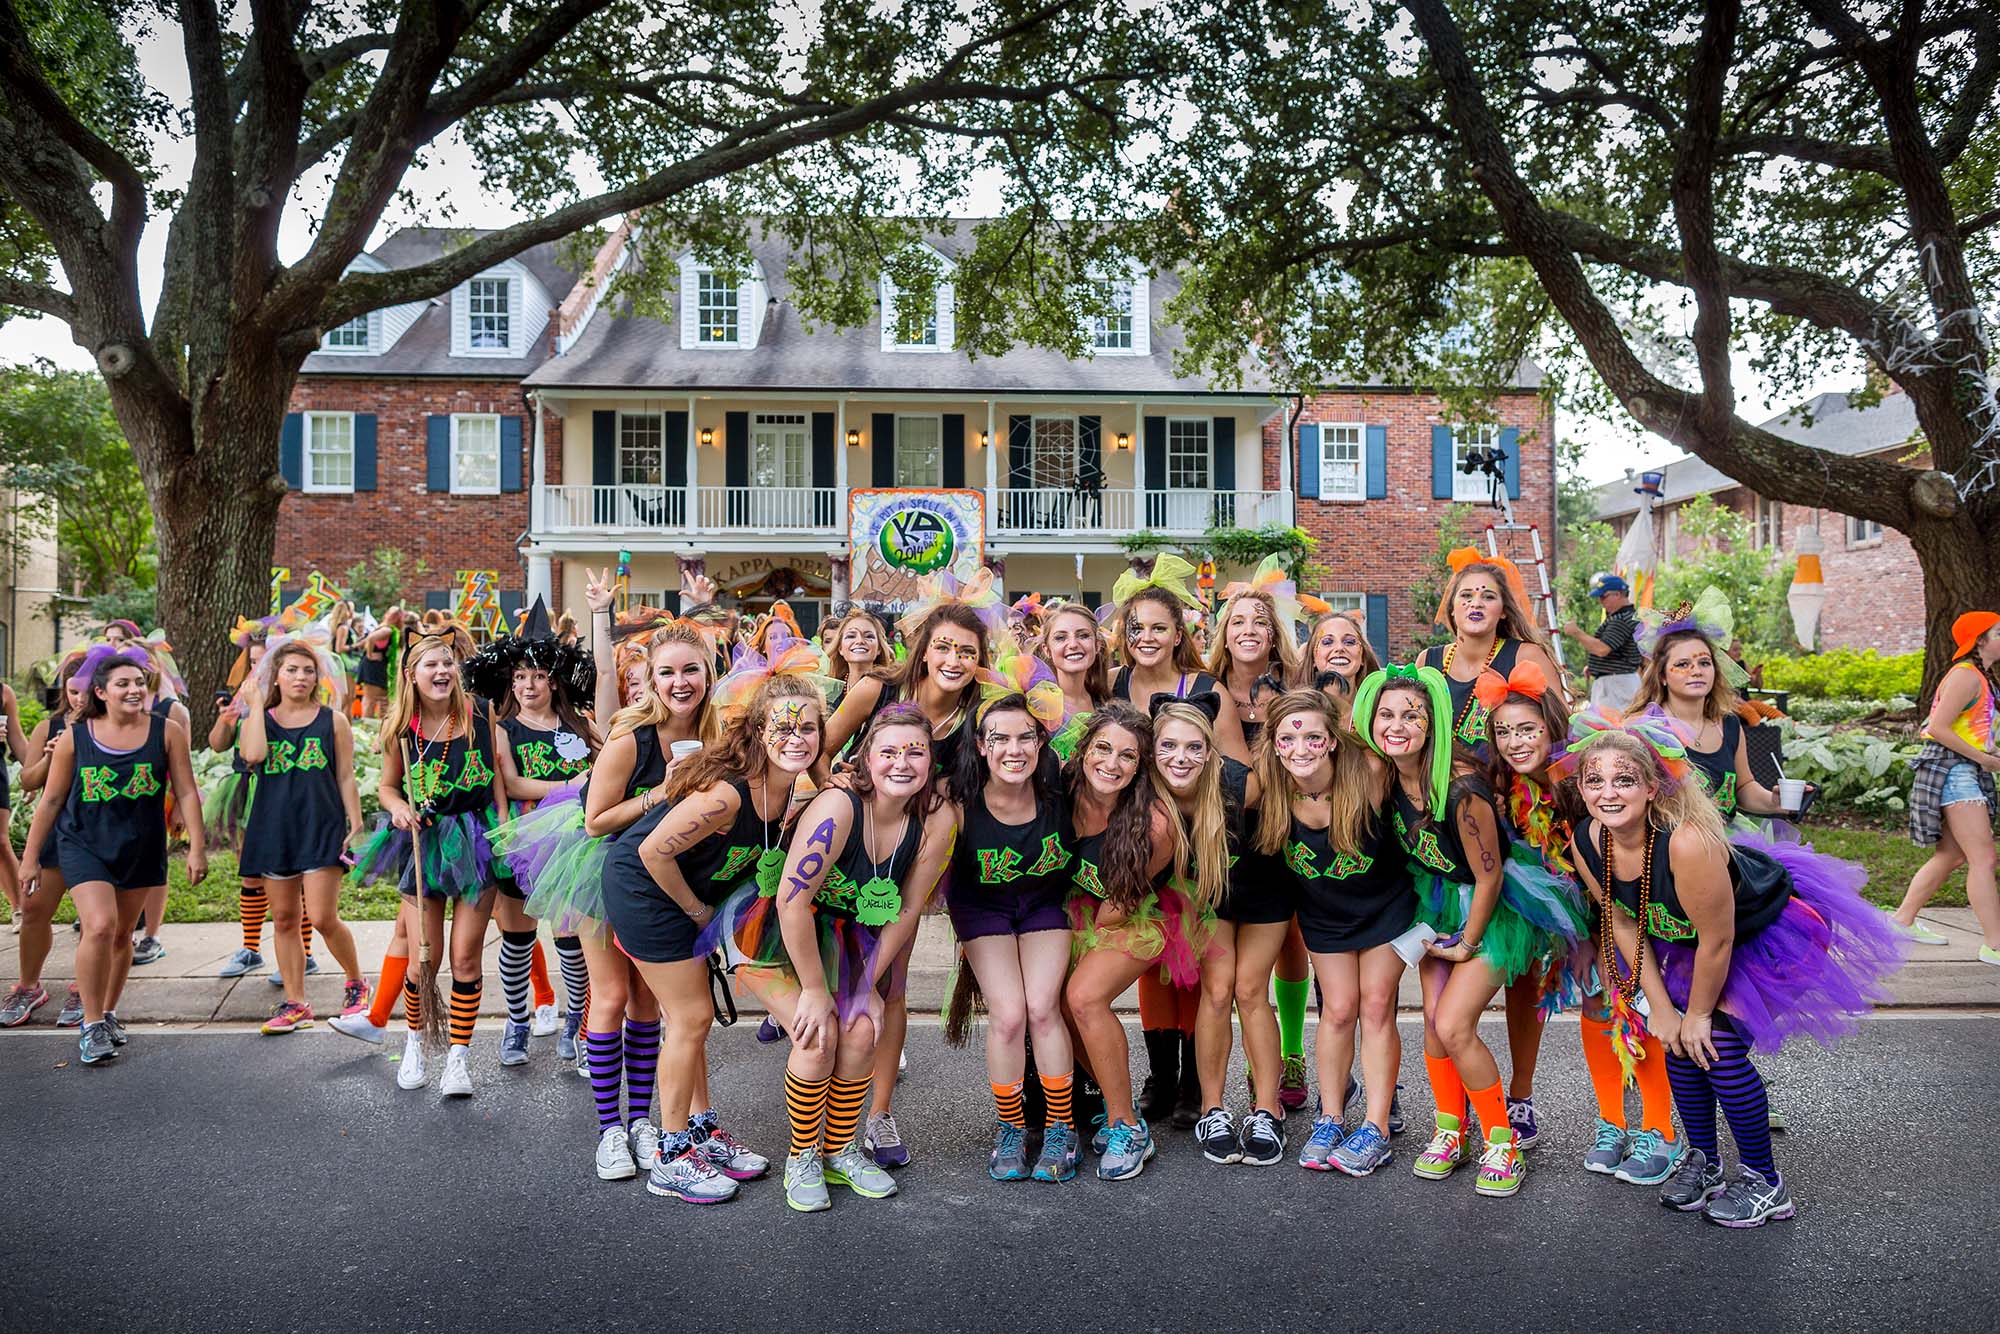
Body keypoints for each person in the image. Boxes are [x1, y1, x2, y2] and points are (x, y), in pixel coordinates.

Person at [1565, 711, 1905, 1225]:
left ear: (1653, 788)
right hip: (1684, 942)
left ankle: (1766, 1184)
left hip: (1768, 935)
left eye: (1624, 779)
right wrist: (1660, 1008)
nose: (1608, 792)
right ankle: (1705, 1161)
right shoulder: (1589, 840)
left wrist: (1699, 1012)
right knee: (1677, 1043)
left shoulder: (1686, 842)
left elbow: (1719, 939)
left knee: (1715, 1044)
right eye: (1595, 781)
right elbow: (1623, 922)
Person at [707, 703, 955, 1212]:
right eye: (888, 751)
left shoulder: (936, 820)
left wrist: (866, 988)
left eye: (916, 752)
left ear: (932, 761)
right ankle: (803, 1155)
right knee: (817, 1035)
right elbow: (791, 901)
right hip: (772, 933)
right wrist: (818, 993)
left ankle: (839, 1151)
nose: (902, 763)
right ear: (866, 757)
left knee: (862, 1028)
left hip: (849, 939)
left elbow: (906, 912)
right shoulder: (839, 807)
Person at [1360, 664, 1585, 1197]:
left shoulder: (1461, 788)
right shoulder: (1385, 776)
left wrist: (1467, 943)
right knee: (1435, 1028)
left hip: (1493, 909)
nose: (1397, 726)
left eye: (1411, 716)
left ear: (1433, 722)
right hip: (1434, 903)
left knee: (1455, 1024)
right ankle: (1449, 1130)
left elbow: (1488, 877)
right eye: (1386, 715)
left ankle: (1502, 1142)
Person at [608, 672, 830, 1203]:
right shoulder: (728, 796)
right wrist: (697, 912)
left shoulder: (786, 791)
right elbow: (651, 852)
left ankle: (700, 1130)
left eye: (809, 728)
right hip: (647, 893)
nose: (796, 737)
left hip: (687, 893)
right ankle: (669, 1154)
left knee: (695, 1018)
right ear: (757, 731)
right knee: (691, 1017)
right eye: (783, 727)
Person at [1478, 664, 1682, 1185]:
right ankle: (1612, 1123)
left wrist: (1602, 931)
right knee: (1596, 1003)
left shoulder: (1581, 781)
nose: (1517, 741)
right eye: (1505, 731)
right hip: (1576, 915)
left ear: (1551, 727)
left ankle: (1661, 1130)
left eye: (1528, 729)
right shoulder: (1506, 786)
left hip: (1629, 904)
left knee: (1633, 1001)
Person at [823, 598, 990, 1169]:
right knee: (831, 972)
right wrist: (839, 791)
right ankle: (825, 1111)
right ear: (924, 648)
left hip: (914, 857)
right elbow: (820, 747)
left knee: (890, 984)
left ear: (979, 660)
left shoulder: (975, 714)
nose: (953, 658)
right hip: (846, 844)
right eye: (943, 646)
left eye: (966, 651)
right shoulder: (877, 689)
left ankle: (880, 1114)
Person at [1417, 550, 1564, 1147]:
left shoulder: (1526, 658)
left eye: (1488, 595)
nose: (1475, 603)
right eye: (1465, 594)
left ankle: (1520, 1098)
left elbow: (1553, 735)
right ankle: (1466, 1103)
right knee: (1449, 980)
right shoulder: (1427, 663)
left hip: (1521, 836)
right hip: (1447, 839)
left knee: (1521, 976)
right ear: (1450, 607)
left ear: (1505, 610)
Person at [18, 645, 208, 1064]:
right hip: (83, 842)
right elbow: (50, 801)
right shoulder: (75, 738)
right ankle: (90, 1025)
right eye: (123, 683)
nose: (135, 689)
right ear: (101, 692)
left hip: (140, 845)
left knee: (123, 934)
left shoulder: (166, 732)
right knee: (99, 926)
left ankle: (107, 1012)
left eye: (140, 682)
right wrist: (30, 858)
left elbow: (187, 790)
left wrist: (197, 845)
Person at [1110, 558, 1247, 1131]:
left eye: (1158, 627)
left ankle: (1195, 1078)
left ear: (1179, 634)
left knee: (1194, 959)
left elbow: (1238, 770)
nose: (1146, 637)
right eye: (1136, 627)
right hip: (1137, 841)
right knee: (1152, 960)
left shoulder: (1205, 689)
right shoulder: (1113, 684)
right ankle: (1160, 1076)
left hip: (1200, 842)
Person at [1255, 689, 1411, 1176]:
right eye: (1288, 738)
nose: (1300, 748)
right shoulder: (1269, 787)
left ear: (1332, 741)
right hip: (1324, 916)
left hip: (1387, 909)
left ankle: (1377, 1127)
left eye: (1312, 737)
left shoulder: (1370, 775)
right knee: (1338, 1009)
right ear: (1275, 744)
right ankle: (1330, 1117)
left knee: (1375, 1004)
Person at [347, 632, 505, 1098]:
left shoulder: (482, 713)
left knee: (464, 958)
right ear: (411, 676)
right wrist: (396, 808)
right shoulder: (403, 730)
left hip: (476, 840)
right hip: (425, 841)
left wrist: (503, 832)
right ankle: (415, 1040)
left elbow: (495, 777)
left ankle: (458, 1058)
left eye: (447, 663)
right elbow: (388, 787)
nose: (441, 672)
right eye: (430, 665)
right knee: (425, 958)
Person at [946, 658, 1080, 1182]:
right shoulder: (956, 805)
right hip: (982, 910)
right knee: (1008, 1015)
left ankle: (1060, 1128)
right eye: (999, 739)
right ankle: (1009, 1127)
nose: (1014, 750)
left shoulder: (1063, 797)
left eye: (1026, 737)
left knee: (1043, 1008)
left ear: (1042, 743)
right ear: (981, 745)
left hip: (1045, 907)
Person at [1061, 703, 1190, 1180]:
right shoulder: (1061, 793)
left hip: (1135, 918)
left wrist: (1073, 943)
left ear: (1141, 766)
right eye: (1103, 748)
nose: (1111, 764)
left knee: (1083, 996)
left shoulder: (1154, 825)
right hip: (1068, 912)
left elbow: (1116, 909)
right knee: (1049, 1001)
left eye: (1127, 756)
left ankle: (1126, 1125)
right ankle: (1103, 1094)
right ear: (1084, 749)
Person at [1153, 697, 1285, 1166]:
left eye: (1193, 747)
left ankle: (1267, 1110)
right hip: (1211, 898)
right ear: (1153, 750)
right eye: (1168, 746)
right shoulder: (1151, 793)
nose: (1180, 757)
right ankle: (1213, 1109)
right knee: (1217, 990)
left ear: (1211, 753)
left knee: (1251, 991)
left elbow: (1282, 815)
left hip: (1264, 888)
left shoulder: (1237, 783)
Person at [466, 609, 599, 1067]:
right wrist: (571, 787)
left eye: (538, 676)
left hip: (576, 842)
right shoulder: (502, 728)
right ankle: (518, 1021)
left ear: (555, 682)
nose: (528, 686)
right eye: (520, 676)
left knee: (571, 939)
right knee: (517, 938)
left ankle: (575, 1021)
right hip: (524, 841)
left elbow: (607, 762)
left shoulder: (580, 724)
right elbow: (515, 785)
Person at [237, 636, 368, 1034]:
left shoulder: (333, 721)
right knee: (284, 919)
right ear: (275, 675)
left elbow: (345, 775)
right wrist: (256, 705)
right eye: (291, 670)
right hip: (274, 827)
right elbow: (253, 756)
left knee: (324, 917)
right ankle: (295, 1002)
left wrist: (356, 823)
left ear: (318, 677)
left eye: (308, 671)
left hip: (321, 824)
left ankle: (356, 983)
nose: (300, 677)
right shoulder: (260, 720)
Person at [1630, 593, 1802, 825]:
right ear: (1662, 675)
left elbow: (1744, 787)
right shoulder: (1645, 728)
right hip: (1670, 846)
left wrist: (1774, 801)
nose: (1696, 671)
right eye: (1682, 664)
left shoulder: (1729, 725)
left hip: (1728, 840)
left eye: (1704, 663)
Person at [1894, 610, 2000, 960]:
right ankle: (1995, 945)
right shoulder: (1965, 676)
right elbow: (1937, 727)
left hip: (1964, 770)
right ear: (1979, 640)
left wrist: (1988, 751)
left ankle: (1902, 921)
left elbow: (1971, 729)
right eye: (1998, 631)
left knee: (1953, 855)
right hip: (1956, 774)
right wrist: (1984, 759)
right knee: (1983, 858)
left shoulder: (1982, 678)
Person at [0, 651, 88, 1028]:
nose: (80, 699)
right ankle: (29, 986)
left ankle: (87, 989)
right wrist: (51, 758)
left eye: (86, 691)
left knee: (93, 919)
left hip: (95, 832)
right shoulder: (48, 728)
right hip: (54, 830)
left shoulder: (113, 726)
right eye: (72, 691)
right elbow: (27, 780)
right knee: (34, 909)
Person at [1562, 573, 1642, 711]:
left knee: (1612, 726)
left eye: (1603, 596)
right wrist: (1595, 666)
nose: (1600, 601)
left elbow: (1602, 649)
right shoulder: (1624, 616)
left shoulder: (1621, 620)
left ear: (1617, 594)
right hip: (1617, 682)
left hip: (1616, 684)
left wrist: (1577, 632)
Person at [1295, 609, 1382, 698]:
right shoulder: (1296, 709)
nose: (1339, 648)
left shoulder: (1380, 705)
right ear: (1313, 658)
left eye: (1349, 642)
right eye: (1327, 642)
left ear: (1362, 657)